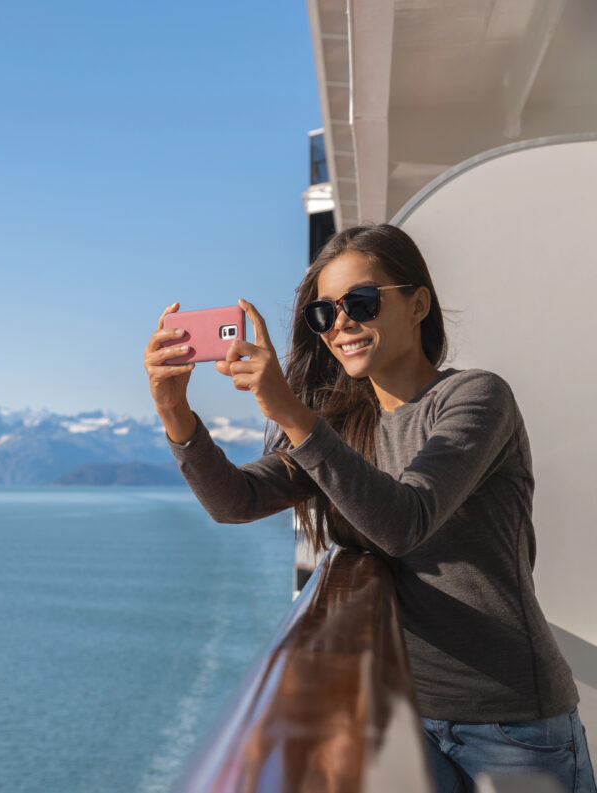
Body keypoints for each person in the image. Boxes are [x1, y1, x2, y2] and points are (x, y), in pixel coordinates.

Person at [142, 223, 596, 793]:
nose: (341, 324)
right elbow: (237, 501)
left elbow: (405, 521)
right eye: (322, 314)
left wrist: (288, 411)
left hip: (511, 725)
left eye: (360, 301)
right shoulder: (343, 427)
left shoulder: (476, 397)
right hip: (404, 717)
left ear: (418, 304)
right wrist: (174, 414)